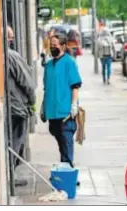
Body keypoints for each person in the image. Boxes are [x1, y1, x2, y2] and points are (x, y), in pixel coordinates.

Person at [40, 34, 82, 168]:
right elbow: (47, 89)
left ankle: (68, 175)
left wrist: (74, 105)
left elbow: (75, 85)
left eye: (55, 45)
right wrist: (43, 107)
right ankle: (67, 171)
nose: (52, 47)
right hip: (52, 113)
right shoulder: (48, 66)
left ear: (63, 46)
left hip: (66, 114)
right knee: (62, 146)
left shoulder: (69, 62)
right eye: (51, 45)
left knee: (66, 147)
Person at [7, 26, 36, 187]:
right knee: (16, 143)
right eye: (10, 37)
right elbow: (27, 82)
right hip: (17, 109)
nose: (12, 40)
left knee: (11, 142)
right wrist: (32, 102)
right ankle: (11, 177)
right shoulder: (12, 56)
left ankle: (10, 176)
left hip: (9, 108)